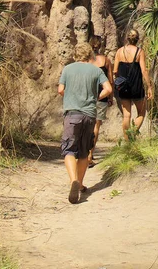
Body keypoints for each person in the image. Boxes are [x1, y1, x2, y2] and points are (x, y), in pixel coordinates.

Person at [58, 42, 112, 204]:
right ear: (90, 55)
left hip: (72, 114)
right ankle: (80, 184)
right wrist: (96, 97)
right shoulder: (96, 70)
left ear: (75, 55)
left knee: (68, 150)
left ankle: (73, 180)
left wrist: (70, 96)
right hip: (89, 115)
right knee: (83, 151)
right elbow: (108, 89)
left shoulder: (68, 69)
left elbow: (60, 90)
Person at [114, 28, 153, 140]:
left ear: (127, 38)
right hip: (136, 86)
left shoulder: (119, 51)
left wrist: (119, 80)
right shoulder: (140, 52)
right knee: (141, 112)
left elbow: (115, 70)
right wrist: (149, 86)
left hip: (123, 86)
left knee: (126, 115)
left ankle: (127, 141)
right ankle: (132, 133)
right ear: (137, 39)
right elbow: (144, 70)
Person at [88, 35, 113, 168]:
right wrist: (110, 97)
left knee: (87, 125)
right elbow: (110, 80)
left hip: (87, 96)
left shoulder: (86, 61)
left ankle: (84, 152)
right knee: (96, 126)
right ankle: (90, 154)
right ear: (101, 46)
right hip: (102, 96)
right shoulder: (106, 60)